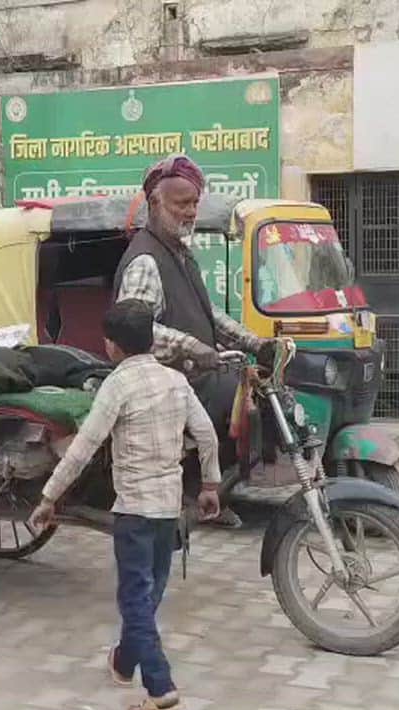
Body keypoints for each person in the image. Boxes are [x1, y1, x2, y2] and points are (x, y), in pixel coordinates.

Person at [28, 299, 221, 710]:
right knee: (148, 595)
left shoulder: (117, 385)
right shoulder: (175, 380)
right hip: (169, 508)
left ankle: (161, 689)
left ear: (112, 346)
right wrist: (210, 484)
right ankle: (122, 661)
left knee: (135, 599)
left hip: (134, 510)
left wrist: (48, 496)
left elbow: (82, 449)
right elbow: (206, 434)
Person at [112, 154, 283, 527]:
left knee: (256, 398)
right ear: (155, 203)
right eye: (181, 204)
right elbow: (135, 329)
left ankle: (212, 491)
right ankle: (197, 490)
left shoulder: (180, 254)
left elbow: (208, 315)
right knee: (235, 402)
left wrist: (256, 343)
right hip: (159, 382)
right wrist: (193, 347)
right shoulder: (146, 260)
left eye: (193, 204)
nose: (189, 212)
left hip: (191, 375)